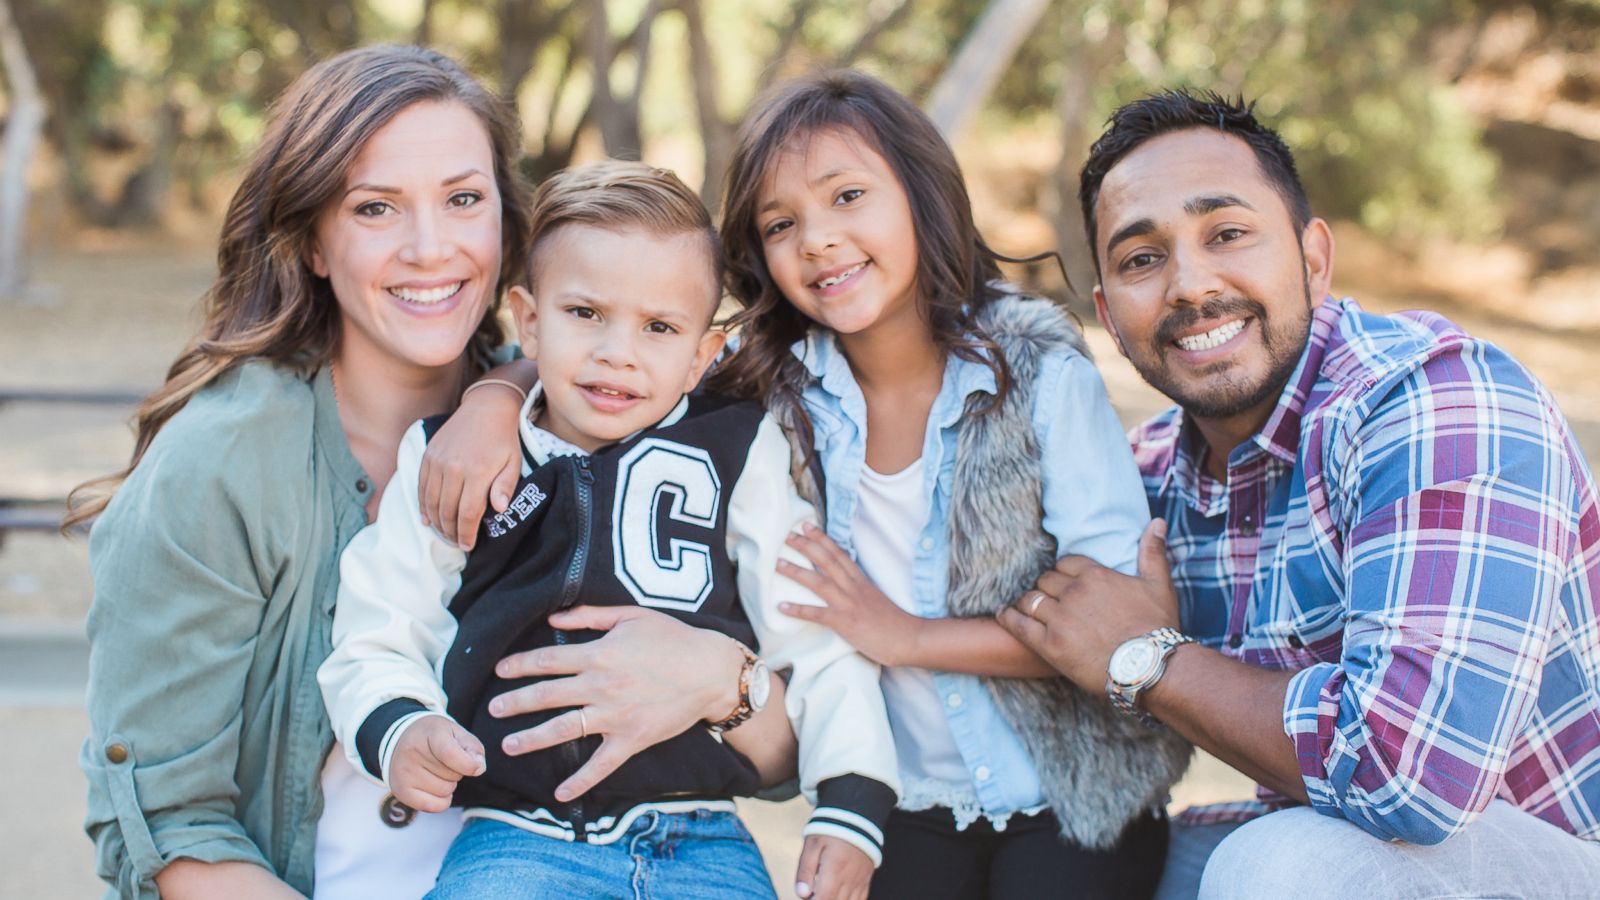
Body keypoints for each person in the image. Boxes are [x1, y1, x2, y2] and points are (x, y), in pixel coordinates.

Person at [71, 45, 780, 900]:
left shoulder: (593, 403)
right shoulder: (222, 462)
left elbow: (784, 753)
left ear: (507, 231)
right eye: (375, 207)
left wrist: (723, 681)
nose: (430, 248)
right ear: (314, 242)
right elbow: (163, 824)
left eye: (463, 199)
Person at [996, 89, 1600, 899]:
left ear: (1314, 257)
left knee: (1282, 870)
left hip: (1560, 855)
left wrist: (1145, 659)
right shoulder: (1148, 482)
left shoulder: (1435, 404)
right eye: (1143, 258)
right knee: (1076, 871)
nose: (1188, 284)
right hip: (1369, 855)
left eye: (1228, 233)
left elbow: (1407, 776)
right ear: (1108, 313)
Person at [318, 160, 899, 900]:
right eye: (585, 313)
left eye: (658, 327)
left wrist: (852, 809)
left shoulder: (737, 451)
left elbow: (813, 638)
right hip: (516, 840)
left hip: (702, 837)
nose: (616, 352)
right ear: (529, 319)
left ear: (700, 356)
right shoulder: (454, 457)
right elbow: (379, 623)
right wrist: (399, 729)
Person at [706, 70, 1187, 899]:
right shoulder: (771, 397)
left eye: (848, 195)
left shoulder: (1038, 370)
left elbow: (1113, 621)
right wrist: (497, 397)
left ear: (921, 195)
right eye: (781, 224)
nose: (817, 239)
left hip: (1073, 802)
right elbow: (617, 349)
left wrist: (904, 636)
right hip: (903, 803)